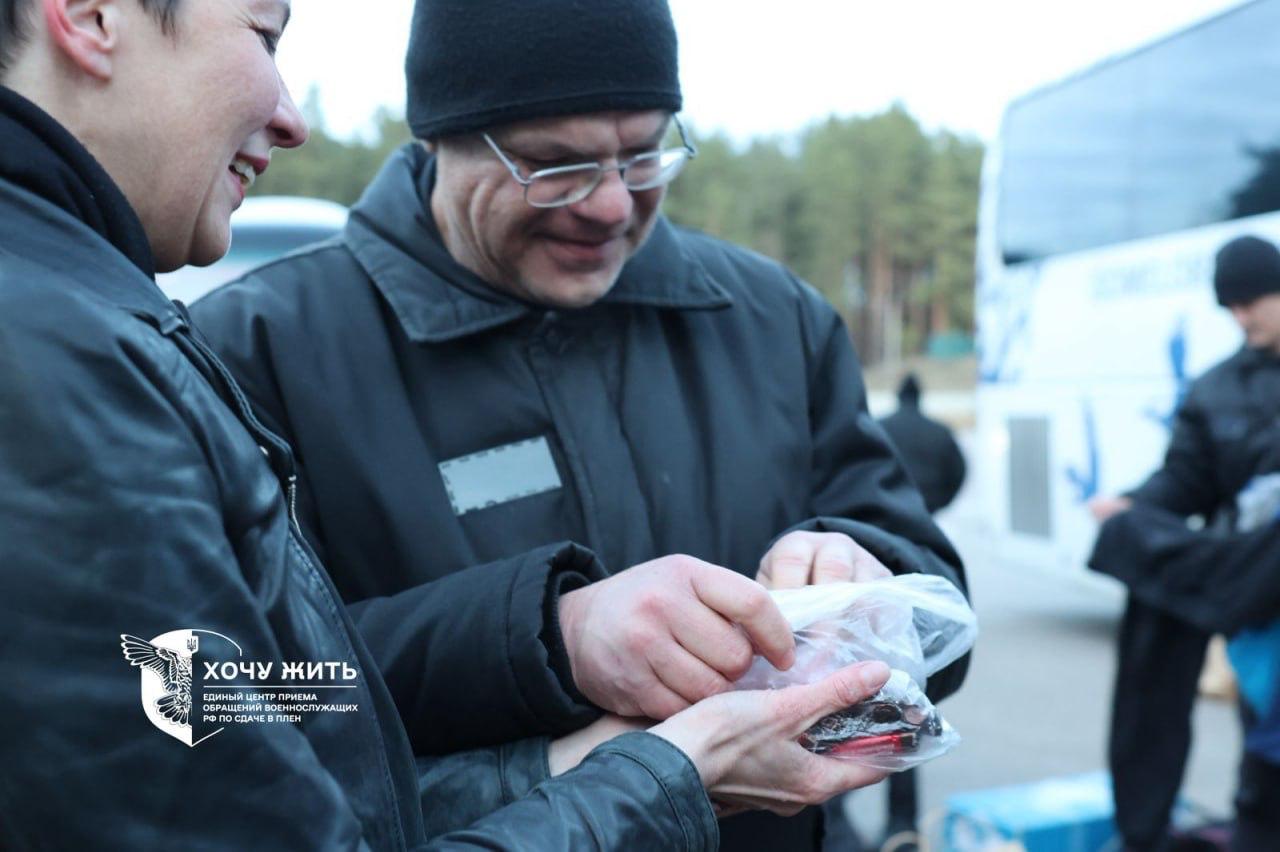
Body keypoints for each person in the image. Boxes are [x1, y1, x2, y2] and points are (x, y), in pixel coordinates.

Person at [0, 0, 908, 847]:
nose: (608, 203)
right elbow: (239, 696)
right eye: (555, 164)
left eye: (641, 157)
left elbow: (926, 596)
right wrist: (554, 641)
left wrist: (863, 585)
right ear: (441, 142)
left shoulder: (771, 315)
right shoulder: (256, 347)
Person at [1089, 234, 1280, 851]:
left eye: (1253, 300)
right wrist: (1137, 505)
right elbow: (1187, 477)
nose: (1241, 316)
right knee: (1266, 754)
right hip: (1257, 597)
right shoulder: (1217, 387)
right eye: (1230, 306)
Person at [825, 373, 967, 851]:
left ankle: (836, 816)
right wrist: (931, 511)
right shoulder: (938, 431)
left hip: (859, 551)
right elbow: (958, 473)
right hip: (911, 542)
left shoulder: (880, 426)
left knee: (845, 697)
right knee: (904, 700)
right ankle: (901, 825)